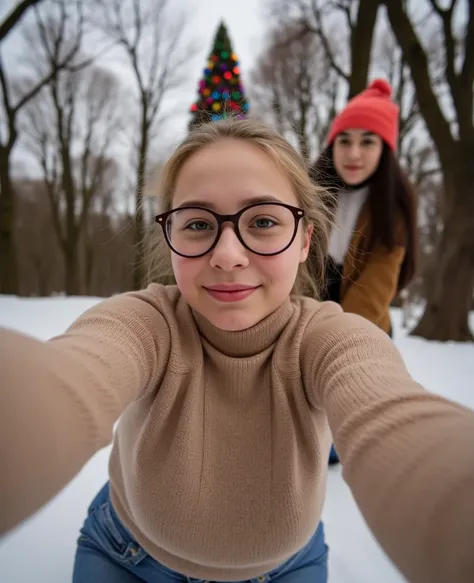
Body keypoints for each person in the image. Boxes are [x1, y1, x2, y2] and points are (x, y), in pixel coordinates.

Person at [0, 119, 473, 583]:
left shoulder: (330, 340)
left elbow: (393, 419)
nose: (227, 254)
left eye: (264, 220)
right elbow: (66, 379)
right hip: (126, 554)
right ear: (171, 239)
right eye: (199, 223)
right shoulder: (144, 324)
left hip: (288, 566)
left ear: (305, 239)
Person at [309, 79, 418, 466]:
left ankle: (336, 445)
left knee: (344, 400)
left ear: (385, 149)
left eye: (368, 141)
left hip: (362, 319)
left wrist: (335, 340)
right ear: (332, 144)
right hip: (312, 304)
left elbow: (375, 288)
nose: (354, 153)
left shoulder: (394, 207)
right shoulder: (312, 191)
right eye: (345, 140)